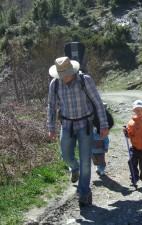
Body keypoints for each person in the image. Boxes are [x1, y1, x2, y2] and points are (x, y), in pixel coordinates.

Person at [47, 56, 109, 206]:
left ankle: (84, 192)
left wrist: (103, 125)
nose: (64, 78)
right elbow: (51, 106)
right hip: (67, 125)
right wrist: (51, 128)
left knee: (86, 160)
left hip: (85, 125)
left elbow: (98, 103)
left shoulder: (85, 80)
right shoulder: (54, 84)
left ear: (72, 71)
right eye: (61, 75)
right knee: (66, 155)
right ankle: (74, 168)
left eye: (66, 74)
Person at [92, 103, 110, 176]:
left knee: (101, 160)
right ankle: (97, 166)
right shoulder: (91, 131)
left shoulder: (102, 130)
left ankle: (102, 169)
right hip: (92, 149)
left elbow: (106, 139)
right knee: (95, 160)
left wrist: (106, 147)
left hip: (101, 149)